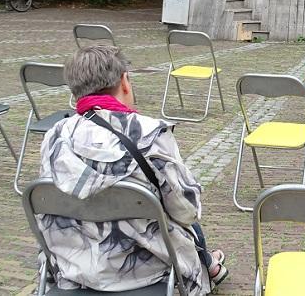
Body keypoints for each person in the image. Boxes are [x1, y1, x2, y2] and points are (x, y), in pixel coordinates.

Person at [38, 46, 227, 294]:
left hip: (74, 265)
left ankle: (210, 262)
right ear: (124, 81)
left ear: (75, 90)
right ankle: (209, 263)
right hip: (145, 270)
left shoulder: (55, 136)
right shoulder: (150, 134)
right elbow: (187, 210)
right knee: (174, 207)